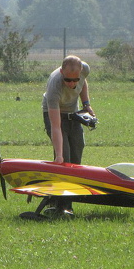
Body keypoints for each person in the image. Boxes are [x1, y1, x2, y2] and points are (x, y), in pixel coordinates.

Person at [42, 55, 95, 216]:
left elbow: (83, 82)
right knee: (64, 158)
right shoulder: (54, 87)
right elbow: (56, 127)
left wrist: (86, 104)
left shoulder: (84, 69)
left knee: (77, 152)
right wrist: (58, 155)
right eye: (67, 80)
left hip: (73, 112)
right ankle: (61, 205)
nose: (72, 84)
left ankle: (65, 200)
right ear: (61, 71)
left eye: (74, 80)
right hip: (55, 114)